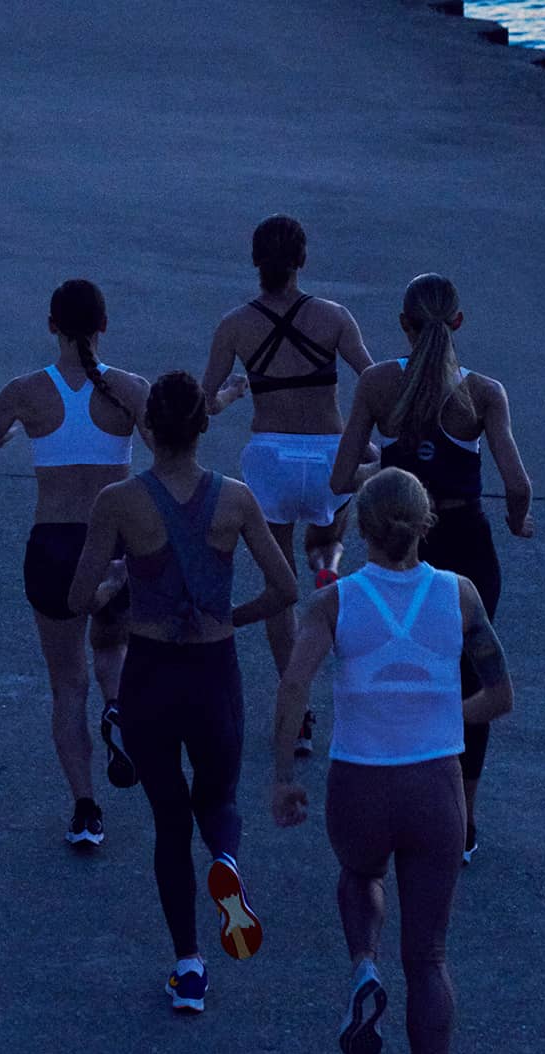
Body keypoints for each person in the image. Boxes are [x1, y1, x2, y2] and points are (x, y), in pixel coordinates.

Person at [271, 467, 514, 1054]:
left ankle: (361, 964)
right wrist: (440, 715)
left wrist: (283, 776)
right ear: (426, 524)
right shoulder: (460, 594)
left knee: (357, 875)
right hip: (437, 790)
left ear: (361, 531)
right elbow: (500, 695)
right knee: (432, 958)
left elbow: (294, 683)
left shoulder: (337, 601)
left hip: (361, 785)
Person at [67, 371, 298, 1013]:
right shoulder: (238, 500)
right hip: (213, 671)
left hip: (150, 674)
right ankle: (224, 857)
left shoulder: (118, 501)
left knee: (169, 822)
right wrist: (232, 619)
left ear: (149, 430)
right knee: (218, 796)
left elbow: (78, 599)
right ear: (202, 426)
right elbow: (285, 589)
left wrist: (117, 585)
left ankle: (190, 968)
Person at [330, 272, 534, 864]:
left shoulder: (376, 384)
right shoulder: (484, 393)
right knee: (469, 679)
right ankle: (461, 823)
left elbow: (341, 479)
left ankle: (387, 793)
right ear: (460, 324)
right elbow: (517, 484)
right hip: (467, 545)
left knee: (392, 671)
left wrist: (386, 469)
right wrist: (518, 524)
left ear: (403, 325)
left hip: (401, 546)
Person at [0, 280, 149, 847]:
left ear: (51, 325)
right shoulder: (129, 389)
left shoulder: (26, 392)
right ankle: (119, 710)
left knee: (66, 685)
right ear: (103, 327)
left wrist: (7, 436)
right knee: (113, 649)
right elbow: (172, 450)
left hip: (55, 549)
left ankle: (86, 811)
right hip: (115, 545)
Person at [200, 214, 375, 758]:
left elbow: (203, 405)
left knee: (280, 585)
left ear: (256, 262)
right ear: (303, 261)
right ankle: (328, 560)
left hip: (270, 460)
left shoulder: (234, 325)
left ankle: (294, 708)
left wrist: (232, 396)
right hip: (328, 459)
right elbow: (373, 384)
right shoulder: (334, 317)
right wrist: (367, 447)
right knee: (334, 517)